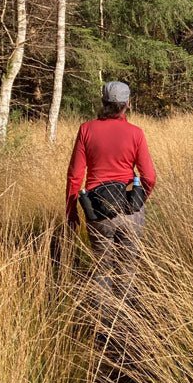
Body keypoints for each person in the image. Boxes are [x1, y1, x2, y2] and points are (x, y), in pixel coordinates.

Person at [66, 81, 157, 298]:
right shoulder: (136, 133)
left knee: (102, 269)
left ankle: (103, 316)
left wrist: (71, 211)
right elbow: (149, 177)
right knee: (127, 268)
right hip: (130, 208)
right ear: (128, 103)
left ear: (103, 101)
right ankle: (126, 315)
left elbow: (75, 175)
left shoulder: (86, 129)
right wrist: (138, 201)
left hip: (98, 210)